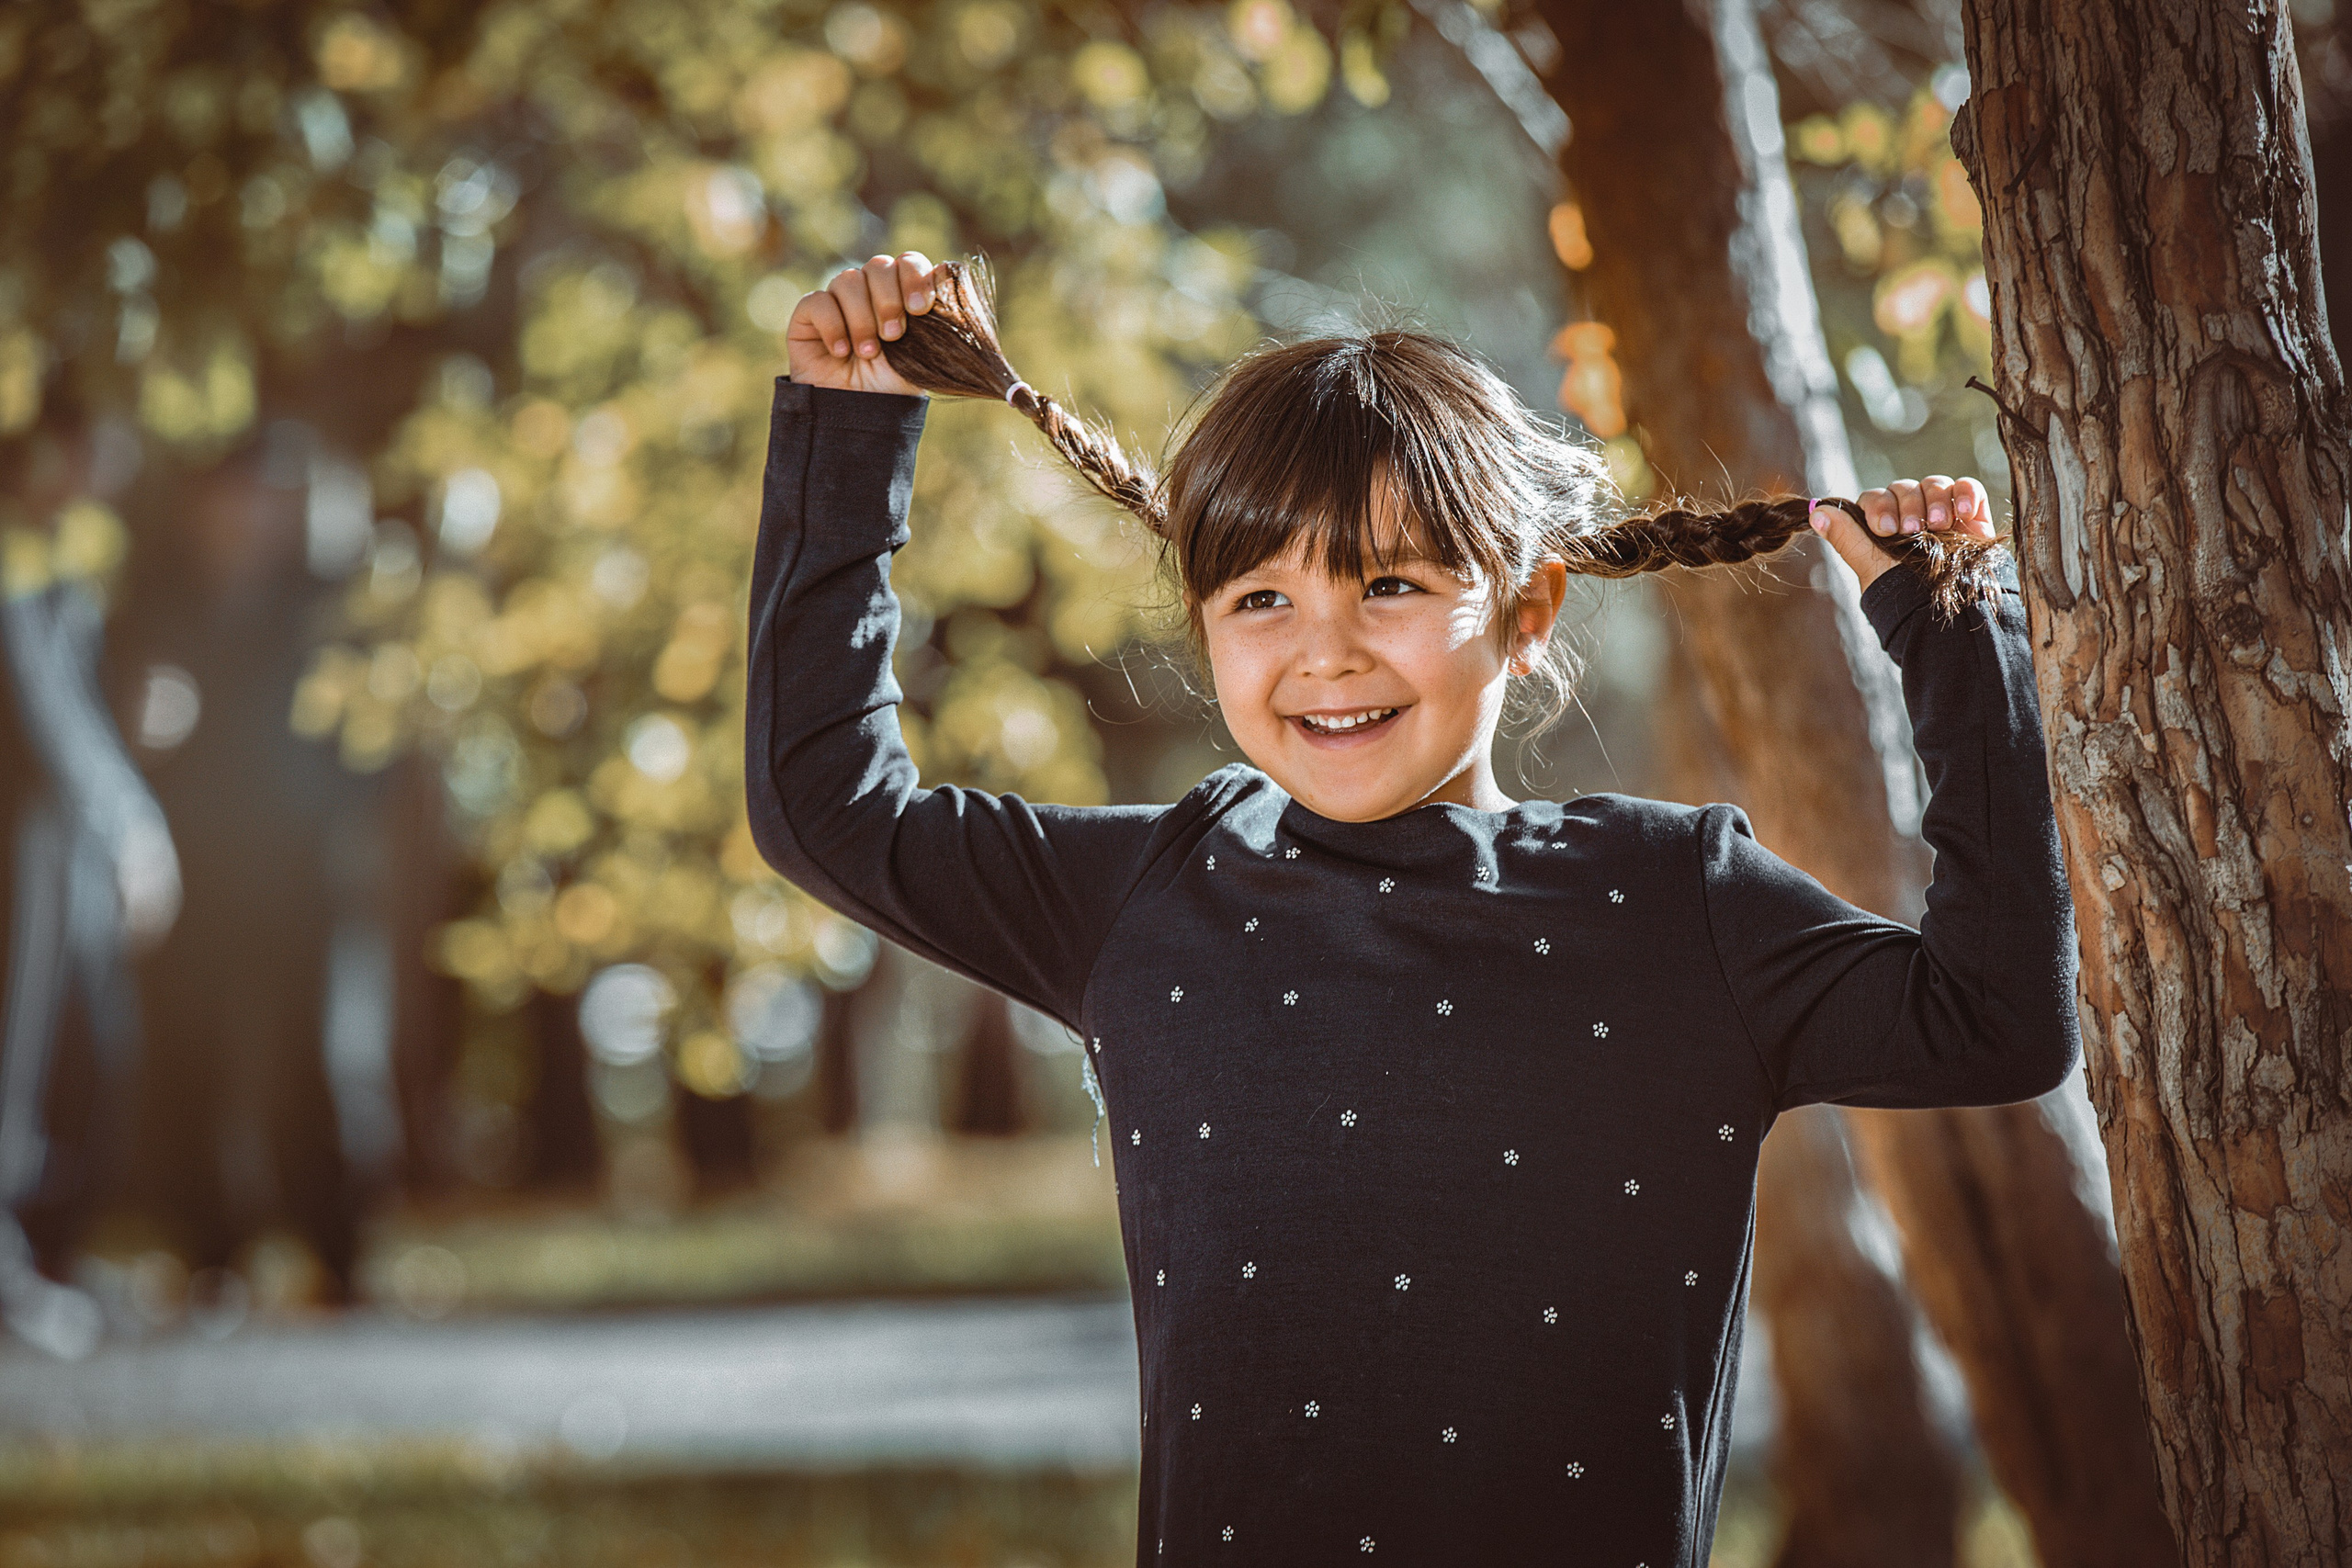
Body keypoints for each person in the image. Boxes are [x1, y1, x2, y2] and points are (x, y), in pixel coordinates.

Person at [747, 253, 2076, 1566]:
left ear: (1526, 608)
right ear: (1207, 630)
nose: (1325, 650)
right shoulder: (1145, 900)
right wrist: (851, 430)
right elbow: (828, 807)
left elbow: (1997, 1020)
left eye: (1389, 585)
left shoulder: (1681, 908)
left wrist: (1953, 632)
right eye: (1261, 599)